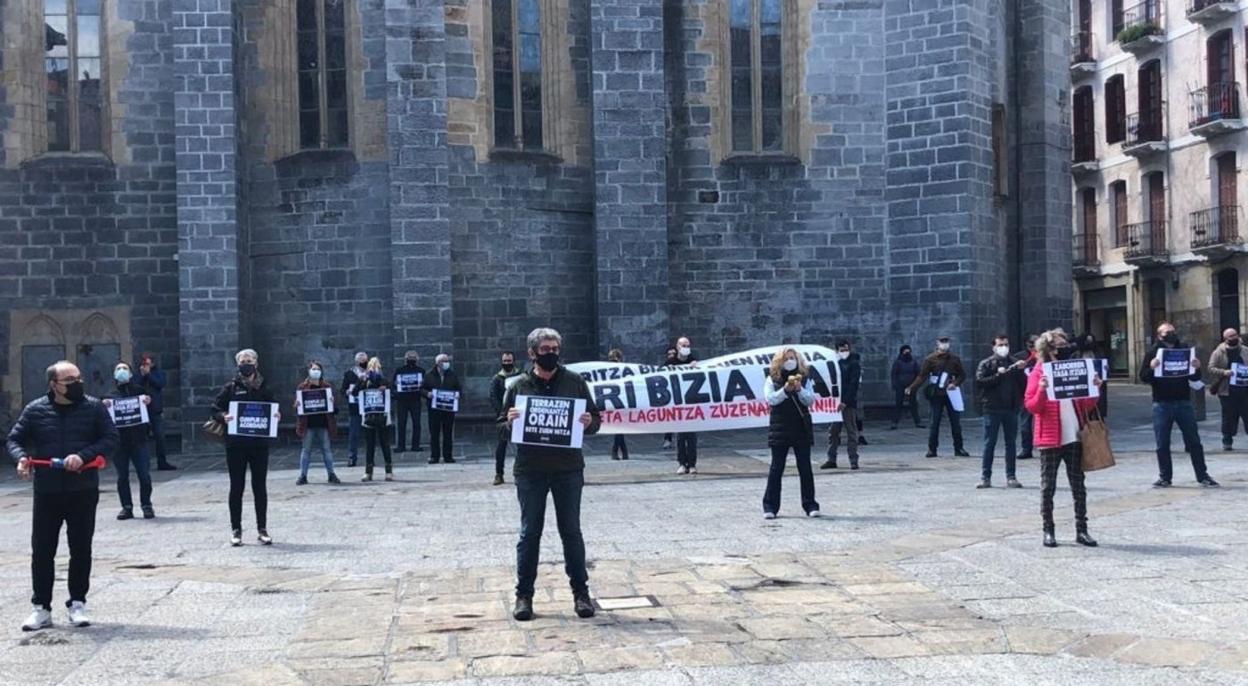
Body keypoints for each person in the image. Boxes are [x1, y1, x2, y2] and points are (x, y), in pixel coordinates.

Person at [7, 361, 118, 631]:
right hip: (47, 490)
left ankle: (77, 602)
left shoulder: (94, 407)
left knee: (80, 548)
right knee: (42, 550)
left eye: (78, 378)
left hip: (83, 490)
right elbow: (14, 439)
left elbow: (110, 438)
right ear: (54, 385)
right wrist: (21, 458)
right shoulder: (35, 410)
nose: (76, 384)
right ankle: (41, 607)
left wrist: (83, 456)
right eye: (69, 380)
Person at [500, 327, 602, 621]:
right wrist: (509, 423)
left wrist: (588, 422)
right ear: (532, 353)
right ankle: (524, 595)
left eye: (555, 349)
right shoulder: (517, 386)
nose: (551, 354)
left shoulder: (574, 382)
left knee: (571, 531)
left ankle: (581, 593)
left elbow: (596, 420)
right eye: (545, 349)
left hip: (567, 469)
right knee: (529, 533)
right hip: (530, 470)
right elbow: (500, 428)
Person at [1024, 328, 1102, 548]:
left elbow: (1085, 404)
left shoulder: (1073, 369)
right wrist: (1042, 390)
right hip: (1050, 438)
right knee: (1048, 486)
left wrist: (1095, 389)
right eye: (1060, 345)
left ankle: (1082, 530)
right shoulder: (1039, 371)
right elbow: (1031, 406)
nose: (1065, 348)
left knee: (1078, 485)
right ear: (1050, 349)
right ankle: (1048, 530)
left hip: (1074, 435)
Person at [213, 349, 279, 546]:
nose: (246, 364)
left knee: (260, 487)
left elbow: (273, 407)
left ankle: (262, 529)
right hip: (236, 445)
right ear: (238, 364)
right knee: (236, 487)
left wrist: (276, 415)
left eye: (249, 361)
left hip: (259, 445)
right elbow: (215, 408)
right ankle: (236, 529)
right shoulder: (230, 387)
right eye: (242, 361)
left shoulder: (265, 386)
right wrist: (223, 416)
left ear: (256, 363)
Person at [1140, 322, 1219, 488]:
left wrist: (1197, 368)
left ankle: (1202, 475)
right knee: (1162, 442)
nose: (1171, 334)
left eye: (1173, 331)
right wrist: (1152, 368)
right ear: (1159, 335)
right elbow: (1144, 377)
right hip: (1162, 403)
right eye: (1167, 332)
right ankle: (1165, 477)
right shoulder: (1153, 352)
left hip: (1183, 402)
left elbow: (1194, 377)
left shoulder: (1184, 350)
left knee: (1194, 441)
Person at [762, 347, 821, 519]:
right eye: (786, 358)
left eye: (792, 358)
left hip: (800, 427)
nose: (790, 361)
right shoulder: (772, 379)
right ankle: (770, 506)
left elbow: (810, 400)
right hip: (780, 426)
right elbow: (771, 399)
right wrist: (785, 390)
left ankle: (810, 504)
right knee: (776, 467)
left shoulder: (805, 378)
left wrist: (799, 389)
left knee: (805, 467)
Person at [974, 335, 1027, 489]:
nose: (1003, 347)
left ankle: (1011, 476)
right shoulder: (986, 363)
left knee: (1011, 443)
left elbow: (1023, 384)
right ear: (994, 347)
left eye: (1006, 344)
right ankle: (985, 477)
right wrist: (998, 375)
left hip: (1011, 408)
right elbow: (980, 382)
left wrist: (1020, 371)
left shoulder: (1014, 363)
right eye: (1000, 345)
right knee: (989, 443)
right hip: (992, 408)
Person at [104, 362, 155, 519]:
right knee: (122, 476)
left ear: (131, 374)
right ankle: (126, 507)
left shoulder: (140, 391)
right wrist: (103, 406)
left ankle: (146, 505)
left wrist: (149, 402)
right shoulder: (109, 395)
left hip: (139, 440)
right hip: (120, 443)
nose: (122, 371)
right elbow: (103, 418)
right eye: (118, 369)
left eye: (125, 369)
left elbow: (153, 410)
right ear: (114, 374)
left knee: (144, 475)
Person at [906, 336, 970, 458]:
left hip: (951, 394)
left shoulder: (954, 359)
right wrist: (912, 387)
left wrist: (955, 383)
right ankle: (932, 449)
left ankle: (959, 448)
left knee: (955, 422)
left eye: (946, 342)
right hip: (936, 395)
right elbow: (922, 376)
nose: (944, 344)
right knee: (934, 422)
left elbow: (962, 375)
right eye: (942, 342)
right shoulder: (930, 359)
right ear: (937, 343)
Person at [295, 361, 341, 485]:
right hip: (308, 424)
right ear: (309, 371)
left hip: (323, 424)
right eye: (313, 369)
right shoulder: (302, 387)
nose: (316, 371)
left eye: (318, 369)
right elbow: (297, 409)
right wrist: (297, 405)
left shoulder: (327, 386)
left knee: (326, 449)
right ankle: (303, 475)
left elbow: (335, 409)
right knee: (306, 450)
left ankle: (331, 474)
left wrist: (332, 402)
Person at [1207, 328, 1248, 451]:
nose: (1234, 338)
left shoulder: (1245, 350)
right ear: (1225, 339)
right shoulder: (1218, 352)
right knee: (1228, 417)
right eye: (1231, 336)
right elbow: (1210, 368)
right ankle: (1227, 440)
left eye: (1235, 335)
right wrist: (1224, 372)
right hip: (1227, 390)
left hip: (1244, 389)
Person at [823, 340, 861, 470]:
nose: (844, 352)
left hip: (848, 404)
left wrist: (845, 401)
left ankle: (853, 460)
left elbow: (853, 385)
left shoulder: (854, 364)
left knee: (851, 432)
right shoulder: (834, 363)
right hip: (835, 403)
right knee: (833, 432)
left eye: (846, 349)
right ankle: (831, 459)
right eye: (842, 350)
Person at [491, 351, 525, 485]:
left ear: (513, 361)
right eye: (505, 361)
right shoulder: (497, 379)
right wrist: (503, 413)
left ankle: (520, 473)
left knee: (522, 447)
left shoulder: (521, 377)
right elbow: (493, 397)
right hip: (504, 418)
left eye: (509, 361)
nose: (507, 363)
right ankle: (499, 474)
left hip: (519, 416)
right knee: (501, 446)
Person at [137, 353, 176, 470]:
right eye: (144, 363)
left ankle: (162, 462)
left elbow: (160, 383)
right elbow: (135, 385)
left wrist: (148, 375)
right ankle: (144, 462)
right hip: (142, 410)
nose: (146, 366)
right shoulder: (138, 374)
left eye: (148, 363)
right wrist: (143, 376)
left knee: (160, 437)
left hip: (155, 410)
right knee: (142, 438)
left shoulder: (158, 373)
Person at [360, 357, 394, 482]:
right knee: (370, 446)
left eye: (376, 366)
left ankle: (389, 471)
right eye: (372, 366)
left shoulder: (384, 380)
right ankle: (368, 472)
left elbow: (394, 393)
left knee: (385, 444)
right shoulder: (365, 380)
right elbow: (355, 392)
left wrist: (386, 389)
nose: (374, 368)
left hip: (383, 417)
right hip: (368, 417)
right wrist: (362, 381)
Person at [425, 353, 461, 464]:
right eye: (444, 361)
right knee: (434, 433)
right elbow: (422, 389)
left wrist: (458, 395)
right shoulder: (429, 375)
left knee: (448, 433)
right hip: (434, 410)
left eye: (447, 361)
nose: (446, 363)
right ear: (438, 363)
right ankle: (434, 456)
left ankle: (448, 456)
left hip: (448, 410)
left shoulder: (452, 375)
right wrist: (427, 394)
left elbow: (458, 388)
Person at [674, 336, 700, 474]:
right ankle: (681, 463)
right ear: (678, 346)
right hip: (678, 405)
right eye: (683, 345)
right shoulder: (671, 362)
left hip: (691, 404)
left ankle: (692, 464)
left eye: (688, 345)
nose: (686, 348)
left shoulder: (693, 360)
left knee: (692, 437)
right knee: (680, 437)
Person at [1013, 335, 1040, 459]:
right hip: (1026, 393)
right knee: (1025, 423)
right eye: (1031, 343)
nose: (1033, 346)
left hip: (1042, 392)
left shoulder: (1045, 356)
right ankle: (1026, 448)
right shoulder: (1019, 357)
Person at [393, 351, 425, 454]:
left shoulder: (421, 371)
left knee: (417, 423)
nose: (411, 359)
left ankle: (415, 445)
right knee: (401, 423)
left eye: (413, 357)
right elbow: (393, 384)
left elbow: (425, 385)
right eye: (410, 357)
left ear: (417, 359)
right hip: (402, 401)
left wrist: (422, 384)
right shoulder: (399, 370)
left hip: (415, 400)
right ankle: (401, 446)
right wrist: (396, 385)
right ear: (405, 359)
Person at [340, 352, 369, 467]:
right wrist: (347, 392)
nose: (364, 363)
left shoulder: (371, 372)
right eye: (362, 361)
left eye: (365, 360)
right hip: (355, 408)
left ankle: (370, 458)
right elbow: (343, 389)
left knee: (369, 434)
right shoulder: (349, 374)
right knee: (354, 434)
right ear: (357, 362)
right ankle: (352, 457)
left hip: (368, 408)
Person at [889, 345, 923, 429]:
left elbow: (918, 374)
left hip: (911, 386)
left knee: (913, 404)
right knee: (898, 404)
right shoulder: (898, 362)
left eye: (908, 351)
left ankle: (918, 422)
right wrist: (895, 385)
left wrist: (916, 384)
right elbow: (894, 374)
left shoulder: (914, 362)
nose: (907, 353)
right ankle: (894, 422)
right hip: (900, 386)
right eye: (905, 351)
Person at [607, 349, 630, 461]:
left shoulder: (624, 371)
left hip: (621, 399)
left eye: (615, 360)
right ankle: (620, 451)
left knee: (620, 426)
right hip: (613, 399)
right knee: (619, 426)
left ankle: (618, 451)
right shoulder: (606, 371)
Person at [661, 346, 678, 450]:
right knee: (670, 419)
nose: (671, 356)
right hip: (670, 397)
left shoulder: (682, 365)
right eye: (669, 354)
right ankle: (668, 439)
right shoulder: (665, 366)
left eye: (673, 354)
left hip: (681, 397)